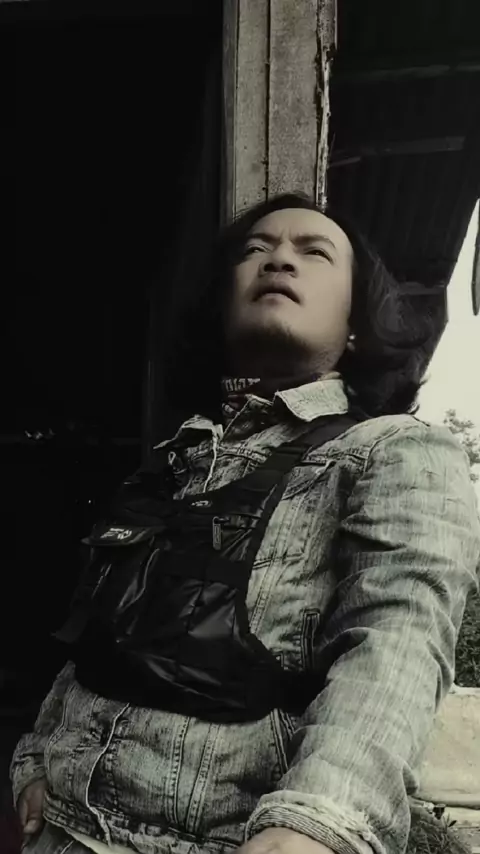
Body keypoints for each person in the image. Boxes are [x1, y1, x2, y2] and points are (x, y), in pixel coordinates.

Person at [11, 194, 480, 854]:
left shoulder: (393, 449)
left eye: (314, 252)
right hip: (59, 829)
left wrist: (319, 819)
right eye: (255, 249)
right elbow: (99, 631)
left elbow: (397, 641)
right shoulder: (175, 457)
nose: (279, 259)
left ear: (355, 324)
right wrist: (35, 757)